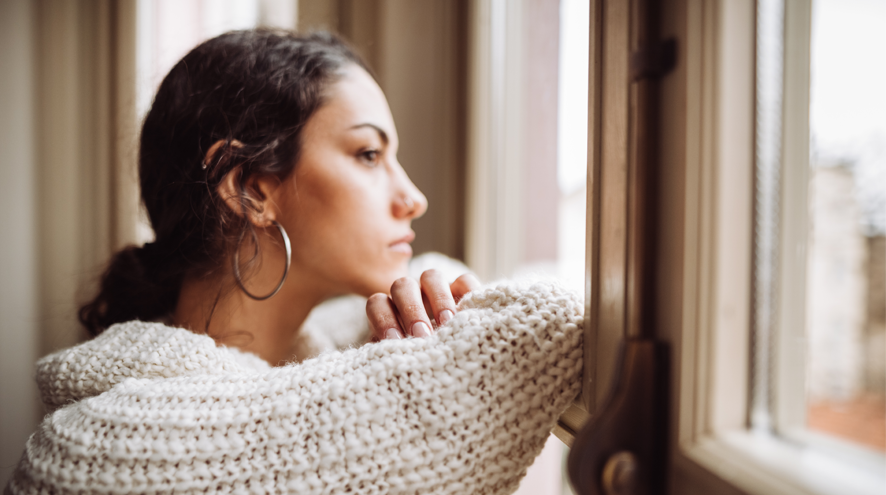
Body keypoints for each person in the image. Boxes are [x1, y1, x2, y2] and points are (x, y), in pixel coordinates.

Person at [6, 30, 584, 494]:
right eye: (368, 154)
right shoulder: (104, 450)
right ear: (252, 189)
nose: (414, 197)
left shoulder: (325, 363)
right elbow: (545, 321)